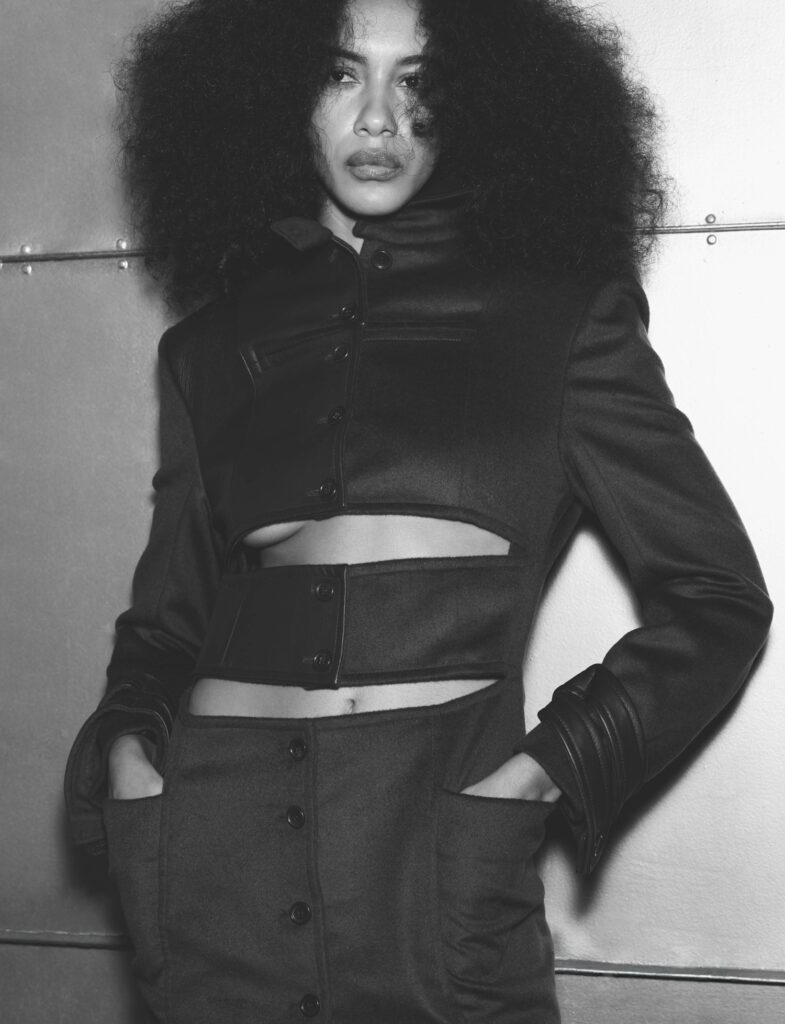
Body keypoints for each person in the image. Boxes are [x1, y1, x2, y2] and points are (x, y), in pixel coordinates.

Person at [64, 1, 772, 1021]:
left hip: (432, 856)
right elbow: (167, 628)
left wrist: (542, 772)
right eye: (340, 72)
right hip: (211, 861)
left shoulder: (561, 318)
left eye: (419, 79)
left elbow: (716, 596)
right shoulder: (208, 347)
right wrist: (132, 761)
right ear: (270, 89)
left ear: (483, 94)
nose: (379, 117)